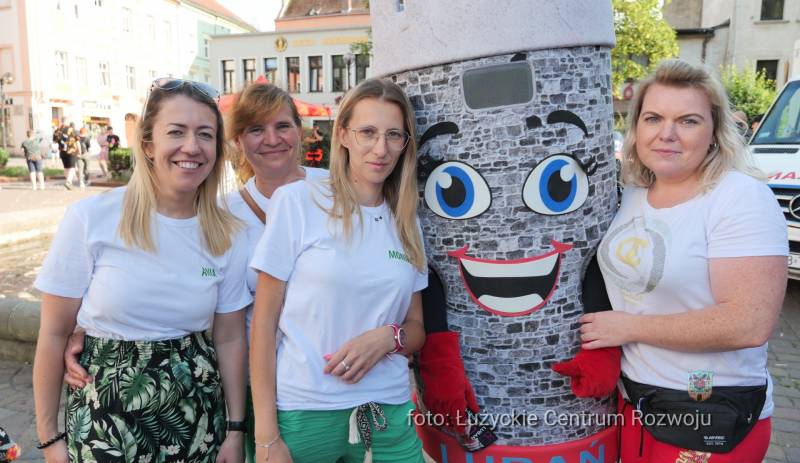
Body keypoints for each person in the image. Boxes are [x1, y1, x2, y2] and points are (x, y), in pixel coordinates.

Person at [63, 82, 330, 463]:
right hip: (260, 389)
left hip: (333, 384)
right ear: (237, 141)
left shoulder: (335, 192)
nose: (271, 139)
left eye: (283, 126)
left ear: (299, 132)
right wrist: (89, 330)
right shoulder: (225, 217)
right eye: (255, 129)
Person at [33, 78, 251, 463]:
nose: (192, 147)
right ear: (148, 145)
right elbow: (52, 335)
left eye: (205, 134)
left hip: (196, 425)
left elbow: (230, 339)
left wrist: (235, 431)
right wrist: (51, 441)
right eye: (176, 132)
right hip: (104, 427)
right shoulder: (91, 219)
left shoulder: (226, 234)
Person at [581, 60, 787, 462]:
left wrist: (627, 327)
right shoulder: (633, 193)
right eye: (653, 117)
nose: (666, 134)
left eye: (688, 121)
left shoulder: (739, 197)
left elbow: (749, 323)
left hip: (709, 412)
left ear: (714, 131)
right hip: (635, 406)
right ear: (636, 127)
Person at [249, 78, 428, 462]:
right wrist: (265, 436)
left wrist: (387, 338)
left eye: (393, 135)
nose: (381, 149)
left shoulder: (406, 221)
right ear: (343, 134)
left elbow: (416, 328)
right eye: (368, 132)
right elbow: (263, 325)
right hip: (305, 410)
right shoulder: (298, 201)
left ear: (404, 144)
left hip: (388, 412)